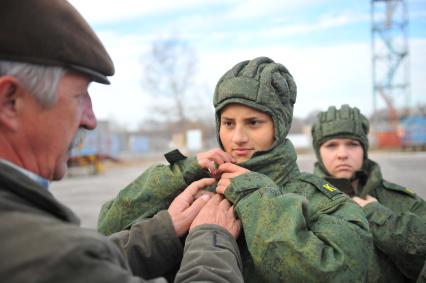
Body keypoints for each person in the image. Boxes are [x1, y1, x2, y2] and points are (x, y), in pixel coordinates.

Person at [0, 1, 244, 282]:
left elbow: (85, 259)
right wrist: (211, 238)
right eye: (79, 96)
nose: (90, 120)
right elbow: (69, 259)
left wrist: (165, 229)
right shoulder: (44, 254)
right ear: (10, 102)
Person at [98, 57, 374, 282]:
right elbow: (107, 231)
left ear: (279, 127)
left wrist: (257, 197)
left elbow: (340, 271)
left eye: (253, 123)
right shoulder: (196, 189)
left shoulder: (320, 200)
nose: (237, 137)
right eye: (228, 123)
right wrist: (179, 172)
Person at [311, 104, 426, 282]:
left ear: (364, 149)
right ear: (319, 152)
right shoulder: (300, 202)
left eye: (352, 144)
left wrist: (379, 217)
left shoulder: (403, 201)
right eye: (331, 145)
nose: (342, 154)